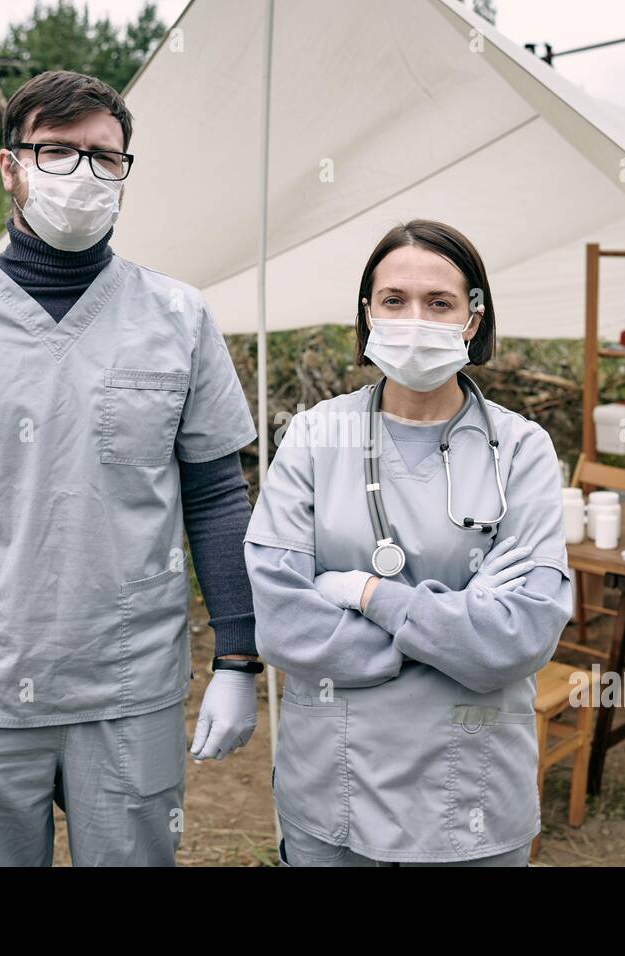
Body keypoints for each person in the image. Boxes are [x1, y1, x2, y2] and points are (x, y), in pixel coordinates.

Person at [0, 70, 265, 866]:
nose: (83, 173)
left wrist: (239, 655)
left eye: (104, 156)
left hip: (127, 684)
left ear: (126, 172)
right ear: (10, 167)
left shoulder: (178, 319)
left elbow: (214, 499)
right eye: (56, 151)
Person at [244, 220, 572, 866]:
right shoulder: (314, 437)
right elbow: (282, 622)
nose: (413, 317)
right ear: (367, 314)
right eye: (393, 300)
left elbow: (520, 635)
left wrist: (367, 594)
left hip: (469, 798)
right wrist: (454, 635)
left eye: (439, 302)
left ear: (472, 319)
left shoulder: (522, 450)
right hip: (332, 790)